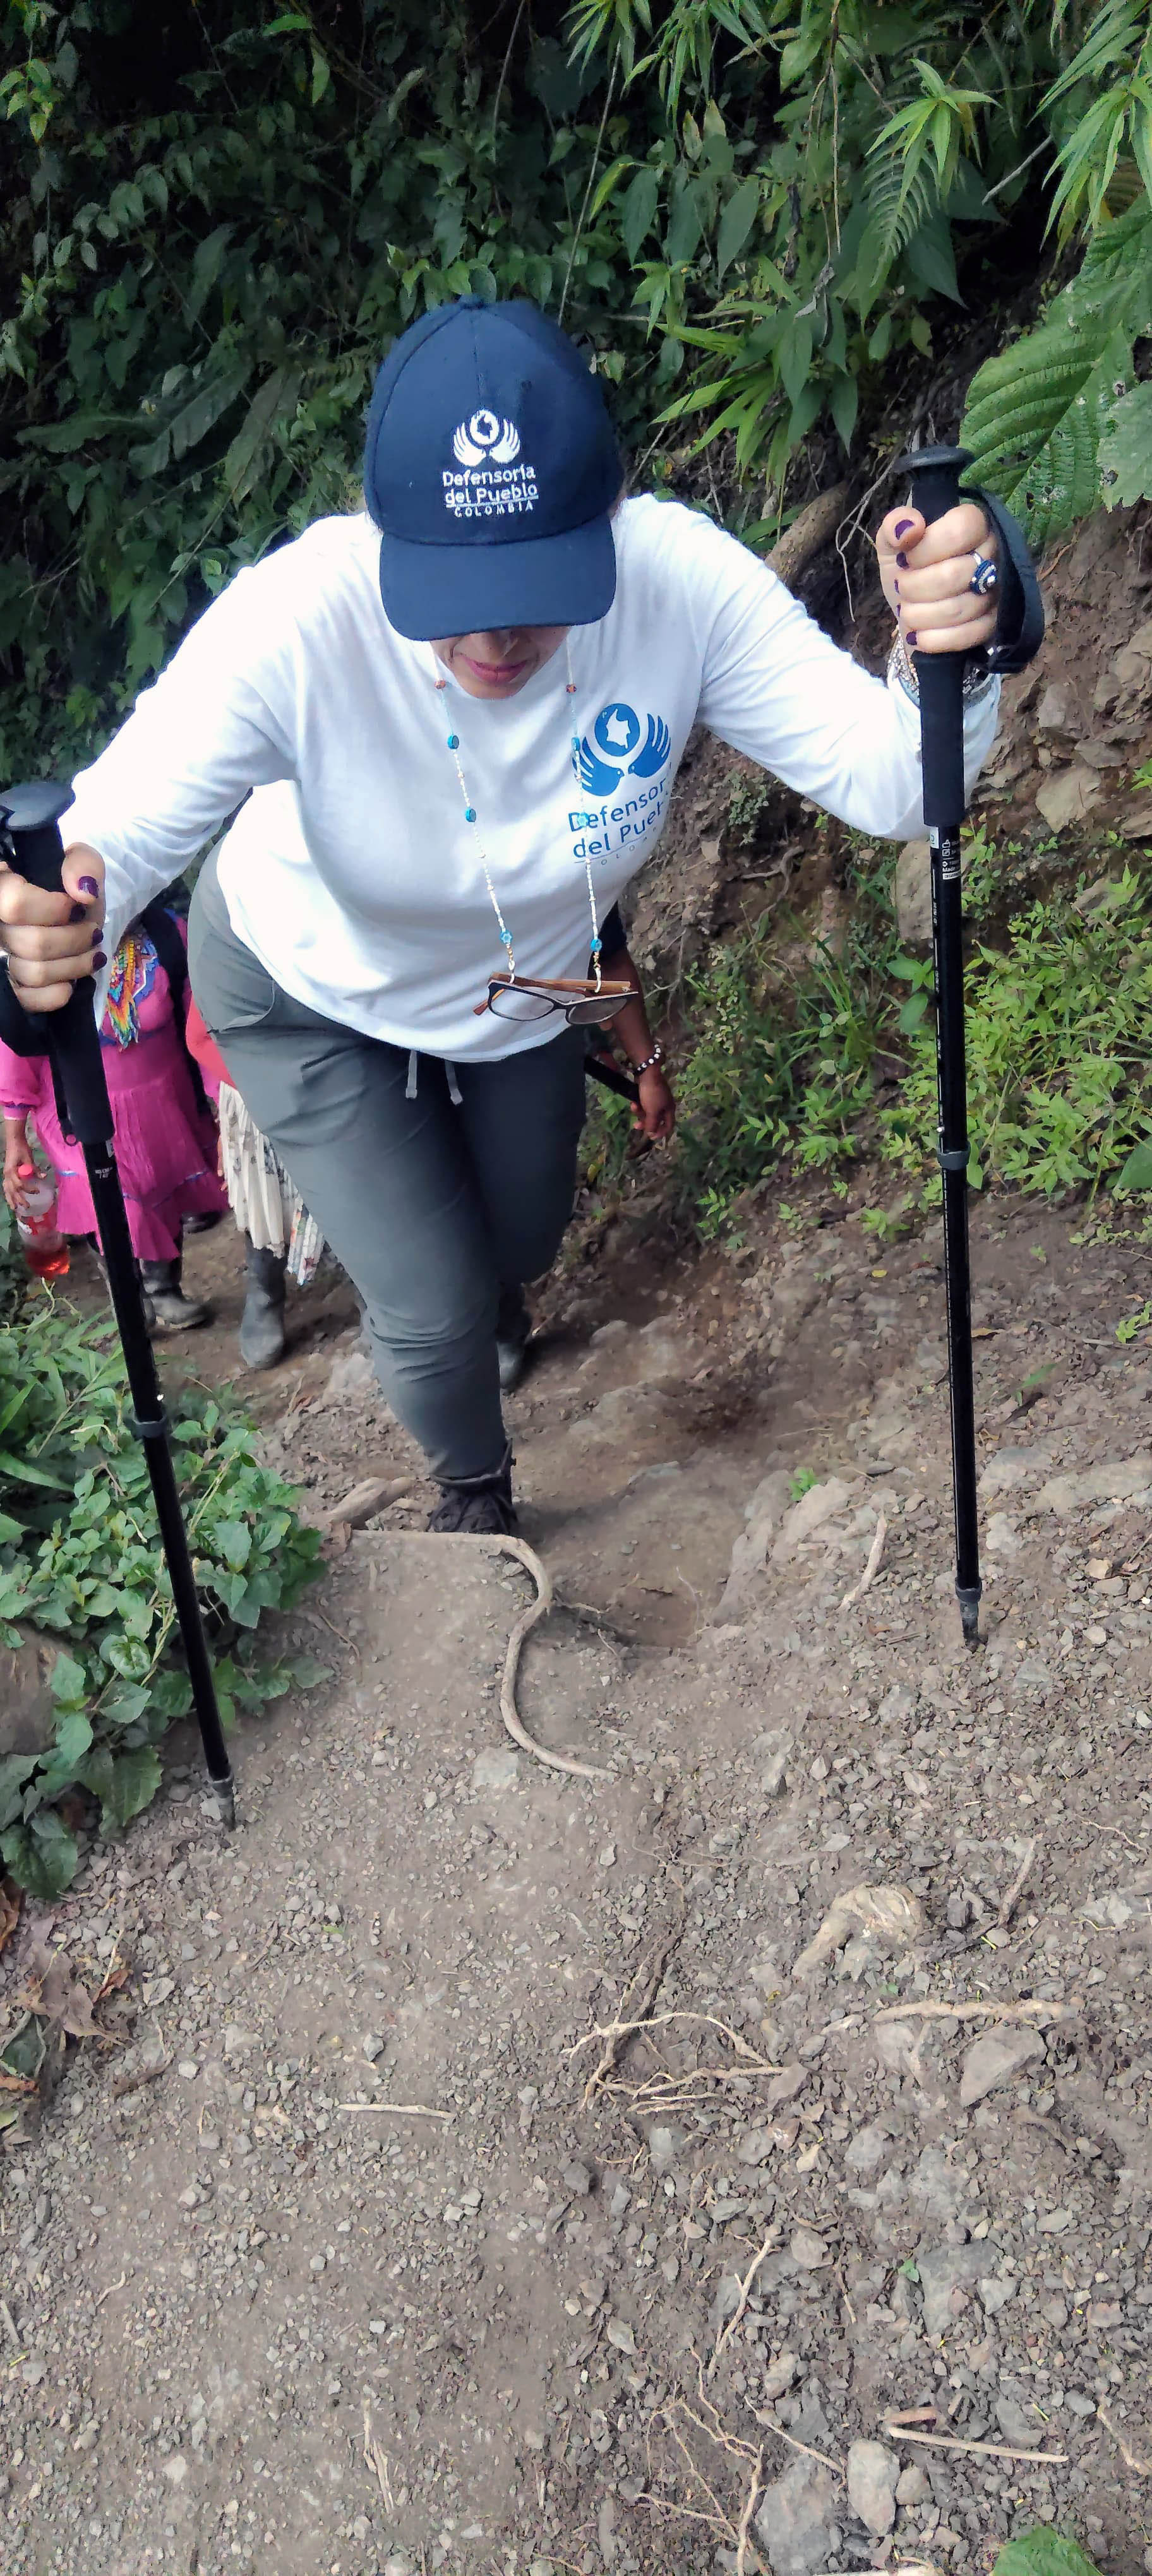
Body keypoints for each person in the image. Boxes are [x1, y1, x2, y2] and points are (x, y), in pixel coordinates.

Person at [0, 295, 1031, 1535]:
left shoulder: (677, 585)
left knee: (527, 1235)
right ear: (381, 544)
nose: (496, 631)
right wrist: (49, 921)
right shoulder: (301, 617)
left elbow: (897, 781)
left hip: (522, 984)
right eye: (451, 589)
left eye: (538, 580)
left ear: (608, 524)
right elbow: (109, 836)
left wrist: (957, 649)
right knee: (431, 1303)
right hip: (306, 980)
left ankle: (489, 1289)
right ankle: (474, 1500)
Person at [0, 903, 225, 1327]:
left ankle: (164, 1289)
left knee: (161, 1193)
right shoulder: (40, 953)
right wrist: (16, 1138)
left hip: (165, 1100)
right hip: (75, 1110)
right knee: (111, 1201)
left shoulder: (169, 934)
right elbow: (16, 1051)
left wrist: (223, 1098)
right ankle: (129, 1295)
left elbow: (202, 1017)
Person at [184, 992, 325, 1370]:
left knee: (356, 1194)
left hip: (337, 1078)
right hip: (253, 1085)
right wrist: (268, 1086)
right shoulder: (229, 934)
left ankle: (371, 1295)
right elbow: (200, 1036)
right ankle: (265, 1291)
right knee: (264, 1199)